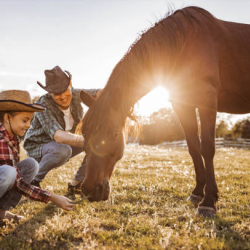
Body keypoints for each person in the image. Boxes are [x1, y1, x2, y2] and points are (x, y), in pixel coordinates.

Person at [23, 66, 101, 193]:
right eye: (56, 93)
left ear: (70, 85)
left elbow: (99, 93)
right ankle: (33, 181)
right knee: (63, 150)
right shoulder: (42, 104)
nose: (63, 96)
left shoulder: (76, 94)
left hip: (63, 143)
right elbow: (58, 136)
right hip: (38, 146)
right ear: (49, 93)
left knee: (96, 146)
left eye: (65, 90)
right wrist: (89, 140)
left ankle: (76, 184)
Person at [0, 90, 75, 222]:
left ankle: (1, 213)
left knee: (30, 165)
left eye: (30, 120)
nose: (29, 125)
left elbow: (18, 179)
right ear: (7, 118)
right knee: (8, 172)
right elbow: (18, 183)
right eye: (25, 120)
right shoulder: (1, 139)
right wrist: (52, 197)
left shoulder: (11, 138)